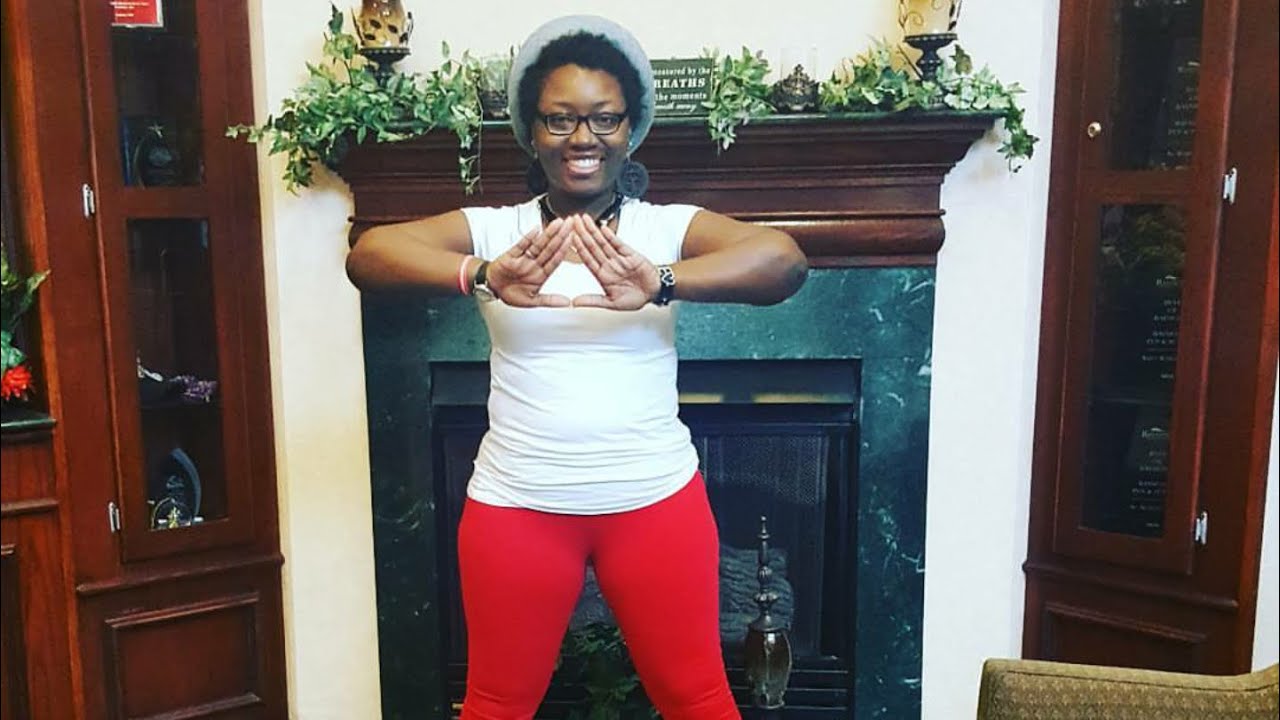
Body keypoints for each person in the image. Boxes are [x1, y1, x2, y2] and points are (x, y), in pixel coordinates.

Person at [346, 15, 807, 720]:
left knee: (699, 701)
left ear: (630, 129)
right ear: (531, 132)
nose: (582, 138)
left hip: (655, 502)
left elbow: (784, 261)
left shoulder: (663, 228)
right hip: (517, 507)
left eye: (603, 119)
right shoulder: (499, 229)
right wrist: (482, 274)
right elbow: (369, 256)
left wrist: (662, 281)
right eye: (559, 120)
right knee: (496, 706)